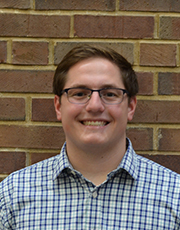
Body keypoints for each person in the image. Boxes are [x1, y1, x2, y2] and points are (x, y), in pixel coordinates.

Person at [0, 45, 180, 229]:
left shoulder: (174, 196)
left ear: (130, 107)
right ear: (58, 106)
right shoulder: (12, 195)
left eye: (110, 94)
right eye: (79, 94)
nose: (95, 106)